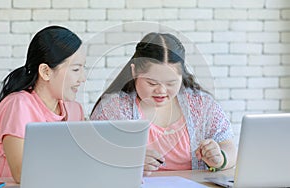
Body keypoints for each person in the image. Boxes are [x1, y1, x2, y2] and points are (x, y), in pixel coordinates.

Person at [90, 32, 236, 176]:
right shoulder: (114, 108)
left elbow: (229, 147)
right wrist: (128, 161)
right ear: (134, 72)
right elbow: (92, 156)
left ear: (182, 75)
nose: (161, 90)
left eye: (171, 83)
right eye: (152, 83)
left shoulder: (202, 105)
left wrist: (220, 158)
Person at [0, 25, 86, 183]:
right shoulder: (19, 105)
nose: (82, 78)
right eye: (76, 70)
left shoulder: (75, 110)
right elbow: (21, 173)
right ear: (46, 72)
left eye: (83, 69)